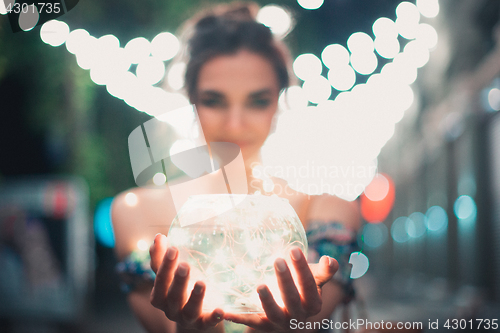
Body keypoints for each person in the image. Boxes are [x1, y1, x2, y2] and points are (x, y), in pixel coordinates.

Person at [111, 2, 361, 332]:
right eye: (215, 101)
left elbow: (310, 319)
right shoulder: (137, 211)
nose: (235, 123)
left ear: (278, 101)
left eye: (257, 101)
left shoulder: (328, 210)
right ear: (192, 101)